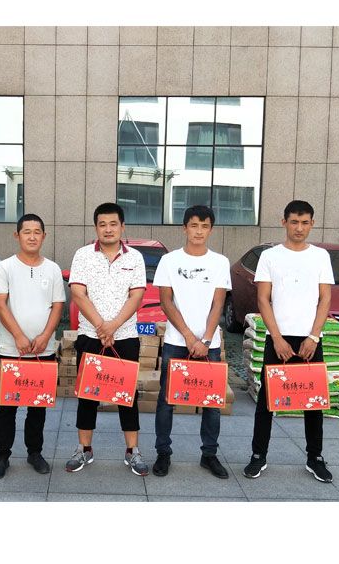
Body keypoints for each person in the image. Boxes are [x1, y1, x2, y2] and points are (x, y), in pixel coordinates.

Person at [243, 200, 335, 483]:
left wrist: (313, 336)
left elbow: (325, 299)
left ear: (312, 224)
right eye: (294, 222)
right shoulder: (270, 256)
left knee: (313, 402)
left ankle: (315, 457)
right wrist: (277, 338)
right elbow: (263, 299)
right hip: (278, 339)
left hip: (310, 340)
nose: (299, 228)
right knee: (266, 402)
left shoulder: (320, 256)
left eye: (305, 222)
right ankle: (258, 455)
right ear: (284, 222)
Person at [65, 202, 149, 476]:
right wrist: (102, 327)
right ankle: (84, 449)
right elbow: (78, 293)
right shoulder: (83, 255)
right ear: (96, 228)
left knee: (127, 395)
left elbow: (136, 296)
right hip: (91, 335)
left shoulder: (135, 258)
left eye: (113, 224)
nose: (108, 229)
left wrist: (113, 326)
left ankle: (133, 451)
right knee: (87, 394)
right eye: (102, 224)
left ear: (122, 227)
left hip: (125, 337)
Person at [152, 205, 231, 479]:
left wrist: (205, 339)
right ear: (184, 228)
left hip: (209, 343)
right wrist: (188, 335)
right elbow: (166, 301)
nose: (199, 231)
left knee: (212, 401)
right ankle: (163, 452)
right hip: (176, 341)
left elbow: (218, 303)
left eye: (204, 226)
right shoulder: (169, 261)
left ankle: (209, 454)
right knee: (166, 400)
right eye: (194, 225)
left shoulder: (220, 262)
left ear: (211, 230)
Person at [0, 214, 65, 479]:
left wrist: (46, 336)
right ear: (17, 235)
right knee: (6, 408)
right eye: (26, 232)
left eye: (37, 232)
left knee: (37, 407)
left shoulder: (53, 269)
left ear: (44, 236)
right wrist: (19, 336)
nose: (32, 237)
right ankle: (2, 456)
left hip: (44, 351)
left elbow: (58, 306)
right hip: (11, 351)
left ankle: (35, 452)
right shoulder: (5, 268)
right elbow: (0, 304)